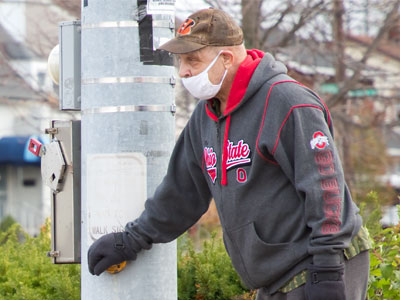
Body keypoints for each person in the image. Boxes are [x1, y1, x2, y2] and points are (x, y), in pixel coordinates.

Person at [88, 8, 371, 300]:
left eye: (192, 60)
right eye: (181, 61)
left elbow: (325, 188)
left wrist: (327, 268)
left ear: (225, 58)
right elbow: (181, 195)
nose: (183, 71)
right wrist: (130, 240)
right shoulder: (205, 117)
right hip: (275, 276)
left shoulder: (288, 102)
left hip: (321, 264)